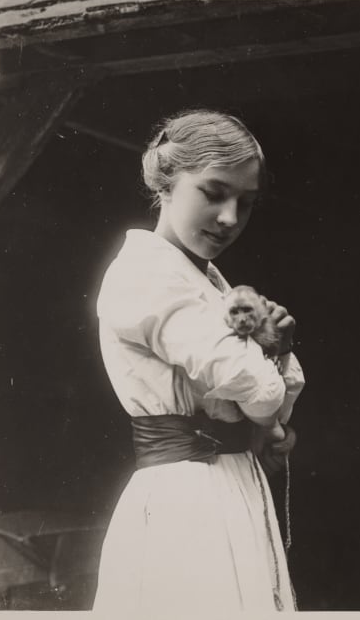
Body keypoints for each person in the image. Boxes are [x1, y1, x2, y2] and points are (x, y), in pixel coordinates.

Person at [93, 109, 305, 615]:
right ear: (165, 182)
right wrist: (269, 358)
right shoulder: (146, 278)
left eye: (246, 203)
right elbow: (262, 390)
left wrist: (272, 372)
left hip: (229, 482)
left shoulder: (209, 283)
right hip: (187, 495)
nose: (230, 217)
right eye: (213, 193)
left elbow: (275, 401)